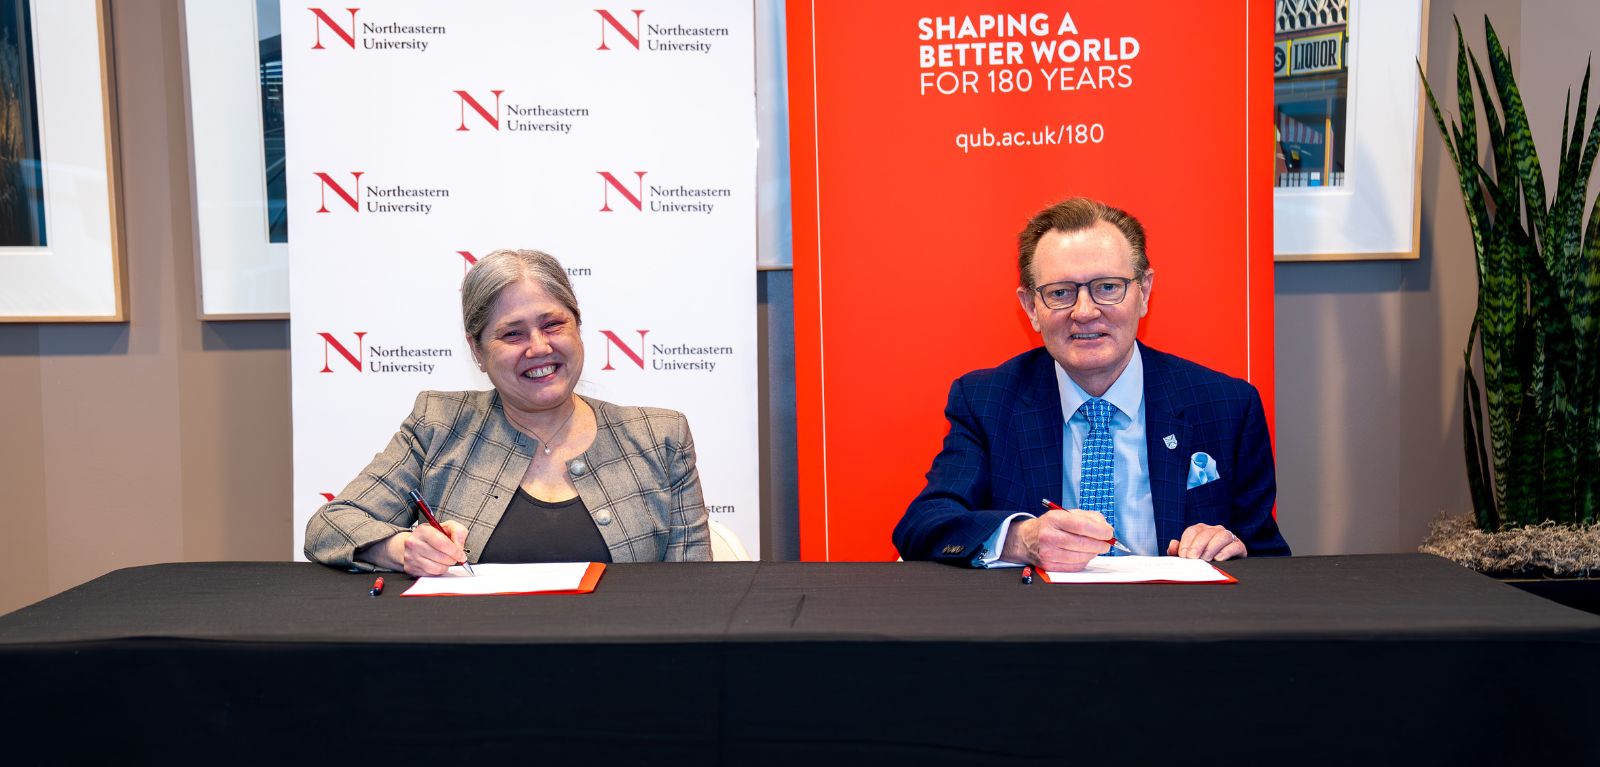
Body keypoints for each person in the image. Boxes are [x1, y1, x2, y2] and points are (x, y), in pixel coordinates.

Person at [893, 198, 1289, 571]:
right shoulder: (987, 401)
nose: (1084, 312)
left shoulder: (1226, 406)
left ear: (1144, 292)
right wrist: (1021, 539)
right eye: (1060, 293)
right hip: (1038, 631)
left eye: (1107, 287)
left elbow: (1269, 560)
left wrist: (1233, 548)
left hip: (1177, 630)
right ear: (1032, 308)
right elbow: (924, 524)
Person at [305, 249, 710, 574]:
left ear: (578, 328)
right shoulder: (439, 424)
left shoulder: (661, 437)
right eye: (512, 333)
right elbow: (328, 526)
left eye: (553, 324)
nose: (538, 347)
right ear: (477, 351)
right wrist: (401, 549)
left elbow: (694, 593)